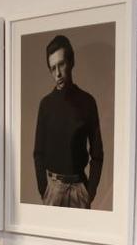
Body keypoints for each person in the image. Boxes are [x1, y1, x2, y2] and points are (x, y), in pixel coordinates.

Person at [33, 34, 104, 209]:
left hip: (79, 191)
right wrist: (44, 189)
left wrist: (90, 191)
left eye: (61, 65)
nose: (57, 73)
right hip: (53, 190)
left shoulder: (88, 102)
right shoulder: (46, 105)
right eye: (52, 68)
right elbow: (38, 153)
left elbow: (97, 153)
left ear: (71, 62)